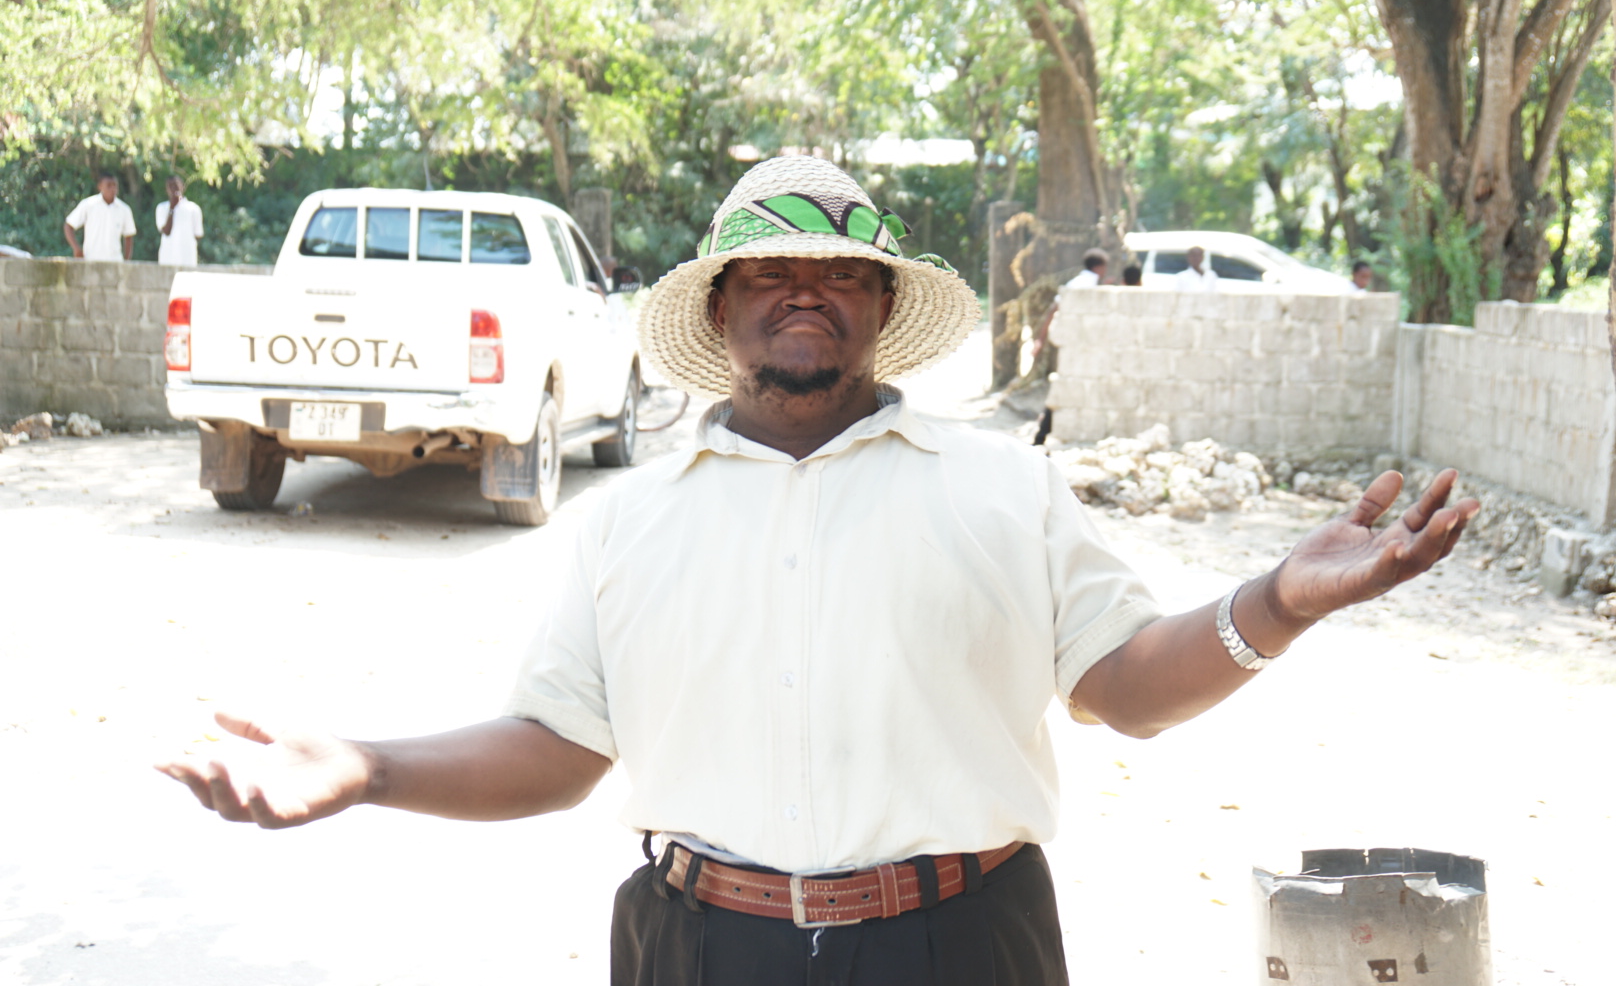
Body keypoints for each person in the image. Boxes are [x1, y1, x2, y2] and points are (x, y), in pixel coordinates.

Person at [158, 157, 1478, 986]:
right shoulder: (628, 525)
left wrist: (1279, 605)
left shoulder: (996, 485)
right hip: (695, 946)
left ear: (878, 308)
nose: (807, 293)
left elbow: (1123, 691)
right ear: (724, 309)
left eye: (841, 274)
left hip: (963, 943)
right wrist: (368, 768)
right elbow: (562, 749)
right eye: (772, 275)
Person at [63, 172, 136, 261]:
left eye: (115, 185)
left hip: (115, 262)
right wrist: (76, 249)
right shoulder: (88, 205)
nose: (113, 189)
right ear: (100, 186)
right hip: (91, 260)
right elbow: (69, 225)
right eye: (109, 185)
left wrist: (126, 261)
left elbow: (129, 236)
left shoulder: (124, 209)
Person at [156, 175, 205, 266]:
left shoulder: (193, 208)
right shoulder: (161, 208)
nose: (173, 189)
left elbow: (198, 235)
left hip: (187, 260)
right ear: (166, 189)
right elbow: (166, 231)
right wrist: (172, 208)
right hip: (167, 260)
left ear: (183, 186)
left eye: (176, 185)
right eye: (170, 186)